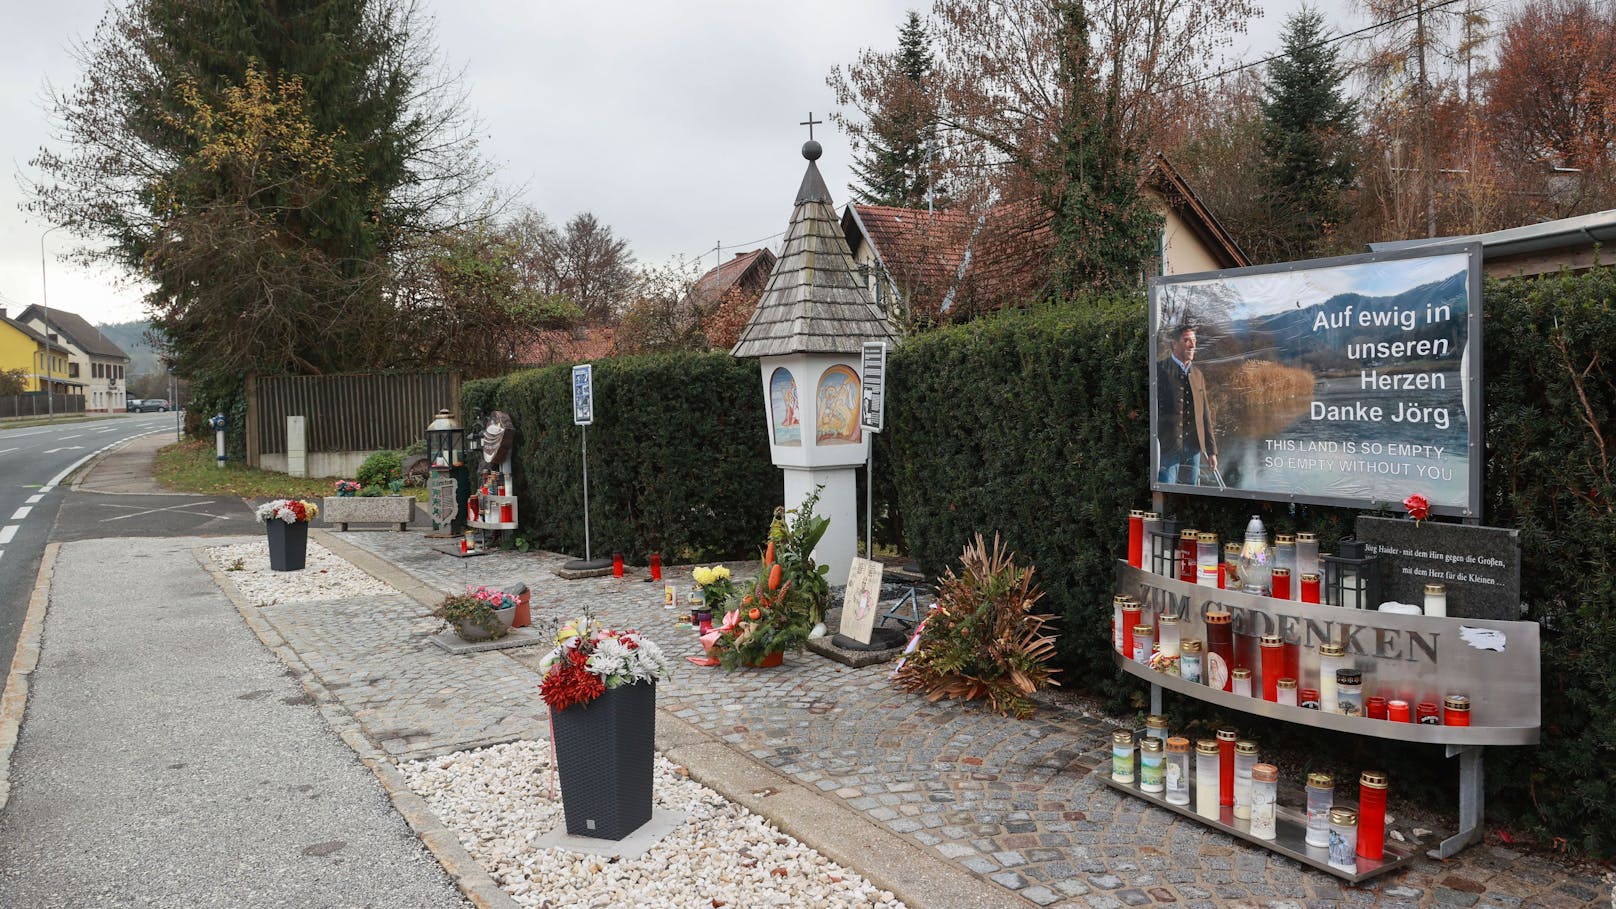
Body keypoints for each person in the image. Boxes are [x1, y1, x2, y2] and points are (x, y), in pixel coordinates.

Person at [1156, 323, 1218, 485]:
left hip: (1194, 449)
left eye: (1194, 340)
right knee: (1166, 491)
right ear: (1175, 344)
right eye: (1187, 340)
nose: (1192, 345)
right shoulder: (1159, 370)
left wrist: (1212, 451)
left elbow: (1205, 414)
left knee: (1190, 496)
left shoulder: (1198, 375)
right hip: (1168, 447)